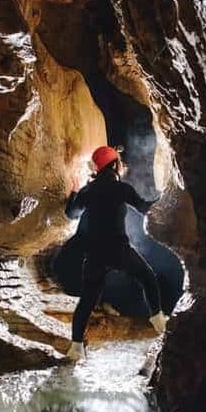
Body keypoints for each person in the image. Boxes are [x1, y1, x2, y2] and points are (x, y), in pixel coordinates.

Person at [64, 145, 169, 361]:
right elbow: (144, 207)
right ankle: (158, 320)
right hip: (119, 249)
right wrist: (165, 198)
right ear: (114, 165)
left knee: (87, 301)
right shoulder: (121, 188)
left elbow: (71, 213)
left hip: (95, 254)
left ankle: (75, 348)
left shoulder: (88, 190)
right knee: (147, 278)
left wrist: (74, 190)